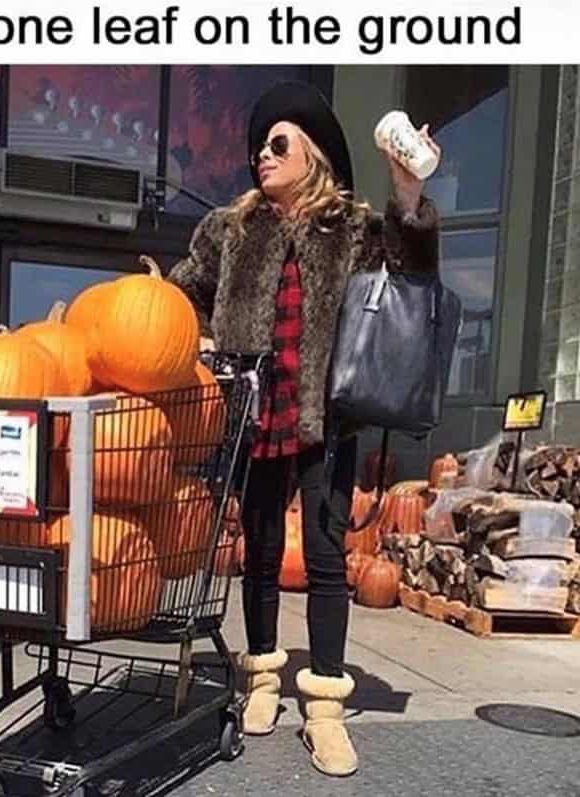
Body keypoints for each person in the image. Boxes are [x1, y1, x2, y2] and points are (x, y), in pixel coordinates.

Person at [168, 81, 441, 777]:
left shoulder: (352, 229)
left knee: (324, 557)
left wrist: (408, 195)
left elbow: (411, 279)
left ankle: (323, 705)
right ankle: (261, 676)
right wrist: (191, 338)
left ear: (311, 151)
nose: (262, 154)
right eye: (258, 147)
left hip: (328, 412)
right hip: (255, 412)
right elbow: (180, 292)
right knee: (260, 552)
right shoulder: (230, 229)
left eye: (277, 143)